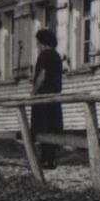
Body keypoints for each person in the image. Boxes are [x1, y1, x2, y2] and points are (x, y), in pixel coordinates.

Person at [30, 28, 64, 170]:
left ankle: (44, 160)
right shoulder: (56, 56)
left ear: (42, 42)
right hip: (54, 97)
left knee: (42, 126)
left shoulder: (44, 55)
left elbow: (42, 75)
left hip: (43, 97)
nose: (37, 45)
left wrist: (33, 91)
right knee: (52, 127)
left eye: (38, 42)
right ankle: (51, 160)